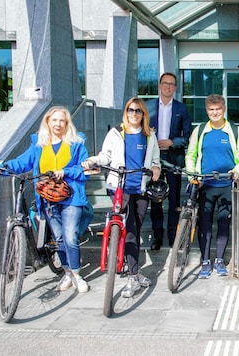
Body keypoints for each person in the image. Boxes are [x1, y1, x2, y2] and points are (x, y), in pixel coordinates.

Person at [0, 106, 91, 293]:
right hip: (48, 198)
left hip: (72, 197)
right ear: (48, 122)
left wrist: (65, 171)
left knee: (70, 237)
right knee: (58, 239)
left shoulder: (77, 143)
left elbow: (85, 169)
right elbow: (21, 163)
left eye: (62, 121)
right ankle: (66, 272)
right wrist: (0, 166)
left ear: (67, 124)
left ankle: (76, 275)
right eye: (54, 120)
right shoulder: (38, 144)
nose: (58, 124)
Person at [82, 97, 161, 298]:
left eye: (138, 111)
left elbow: (155, 159)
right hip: (120, 186)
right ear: (125, 112)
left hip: (140, 187)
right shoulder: (116, 133)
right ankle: (133, 275)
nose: (133, 114)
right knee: (132, 229)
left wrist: (156, 167)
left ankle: (132, 267)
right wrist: (92, 160)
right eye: (130, 110)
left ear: (143, 114)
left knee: (136, 226)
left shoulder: (150, 135)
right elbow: (105, 156)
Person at [185, 94, 239, 279]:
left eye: (218, 109)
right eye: (211, 110)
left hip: (226, 184)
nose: (215, 113)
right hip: (205, 184)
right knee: (204, 224)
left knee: (223, 222)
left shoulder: (234, 130)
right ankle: (205, 261)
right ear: (207, 110)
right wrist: (192, 175)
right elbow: (191, 154)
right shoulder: (200, 130)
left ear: (224, 109)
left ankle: (219, 259)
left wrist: (237, 169)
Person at [147, 72, 193, 250]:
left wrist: (172, 142)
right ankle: (157, 237)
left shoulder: (182, 109)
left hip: (173, 158)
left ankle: (173, 235)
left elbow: (188, 136)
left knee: (174, 200)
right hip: (154, 160)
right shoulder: (148, 106)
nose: (168, 86)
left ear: (175, 88)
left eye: (171, 84)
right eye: (165, 83)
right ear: (159, 85)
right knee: (155, 198)